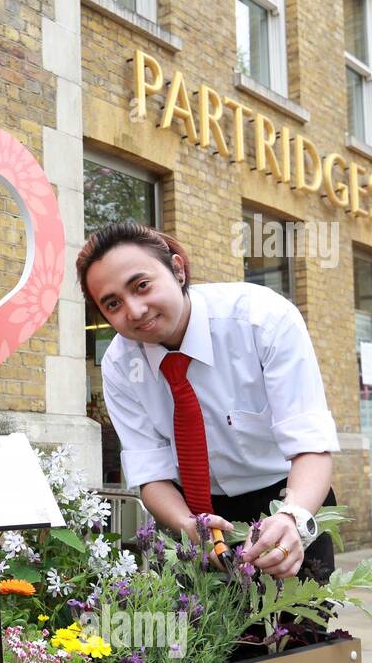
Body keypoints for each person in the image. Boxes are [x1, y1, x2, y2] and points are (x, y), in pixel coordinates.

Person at [80, 222, 339, 581]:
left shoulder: (262, 318)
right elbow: (151, 474)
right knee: (213, 637)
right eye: (113, 303)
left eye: (141, 285)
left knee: (302, 635)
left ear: (178, 269)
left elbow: (311, 445)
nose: (135, 310)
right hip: (195, 516)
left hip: (290, 497)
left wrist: (292, 518)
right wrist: (189, 524)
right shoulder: (120, 366)